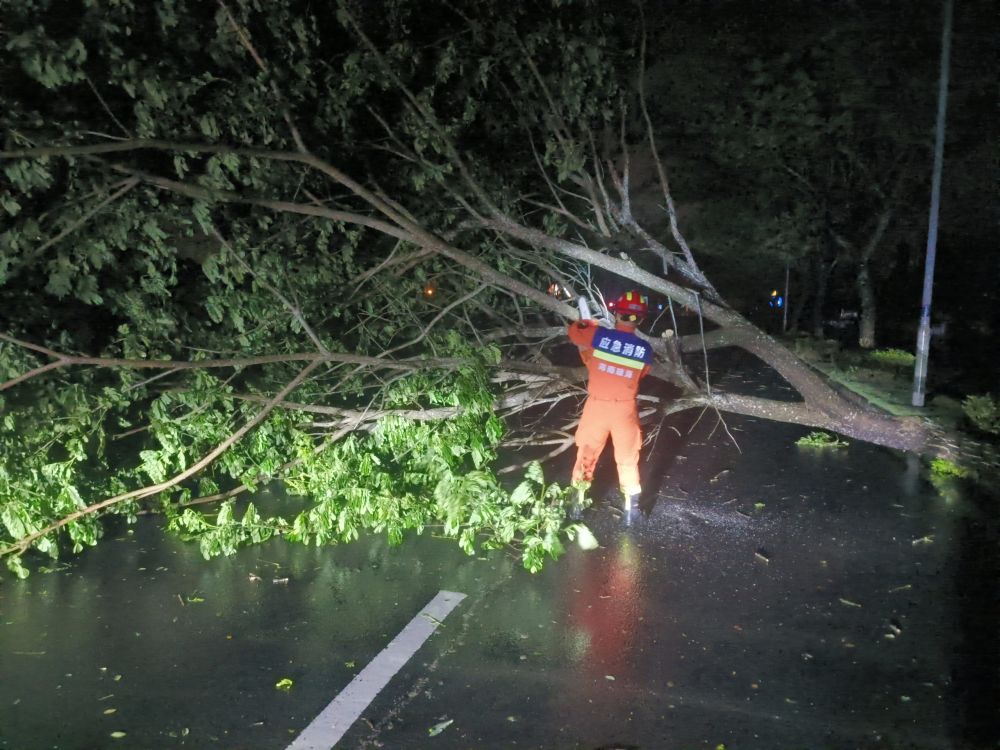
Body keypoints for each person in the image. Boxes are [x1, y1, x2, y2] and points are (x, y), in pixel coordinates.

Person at [568, 291, 653, 511]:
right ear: (640, 320)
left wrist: (588, 322)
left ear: (616, 314)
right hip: (625, 410)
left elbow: (575, 333)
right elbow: (642, 372)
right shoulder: (644, 349)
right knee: (627, 458)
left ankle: (576, 506)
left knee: (586, 452)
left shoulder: (599, 336)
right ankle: (630, 511)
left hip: (596, 407)